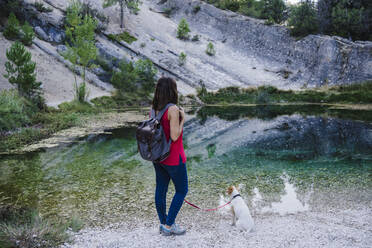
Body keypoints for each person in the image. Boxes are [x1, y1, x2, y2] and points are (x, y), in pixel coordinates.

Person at [151, 77, 188, 236]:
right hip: (173, 157)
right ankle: (169, 224)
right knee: (182, 190)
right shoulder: (172, 109)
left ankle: (163, 222)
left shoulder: (153, 108)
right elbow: (174, 136)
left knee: (161, 189)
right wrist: (183, 120)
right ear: (172, 90)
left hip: (158, 157)